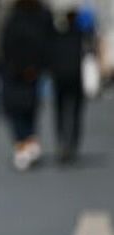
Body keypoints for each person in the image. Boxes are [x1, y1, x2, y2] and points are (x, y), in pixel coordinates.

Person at [1, 0, 54, 171]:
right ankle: (30, 139)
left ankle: (23, 144)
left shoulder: (13, 19)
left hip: (14, 73)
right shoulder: (42, 17)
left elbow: (5, 45)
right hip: (33, 72)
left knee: (15, 111)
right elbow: (46, 45)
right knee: (31, 107)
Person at [50, 8, 87, 164]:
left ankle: (62, 142)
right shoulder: (80, 34)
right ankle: (72, 144)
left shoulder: (57, 35)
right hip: (75, 78)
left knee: (59, 112)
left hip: (59, 78)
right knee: (76, 113)